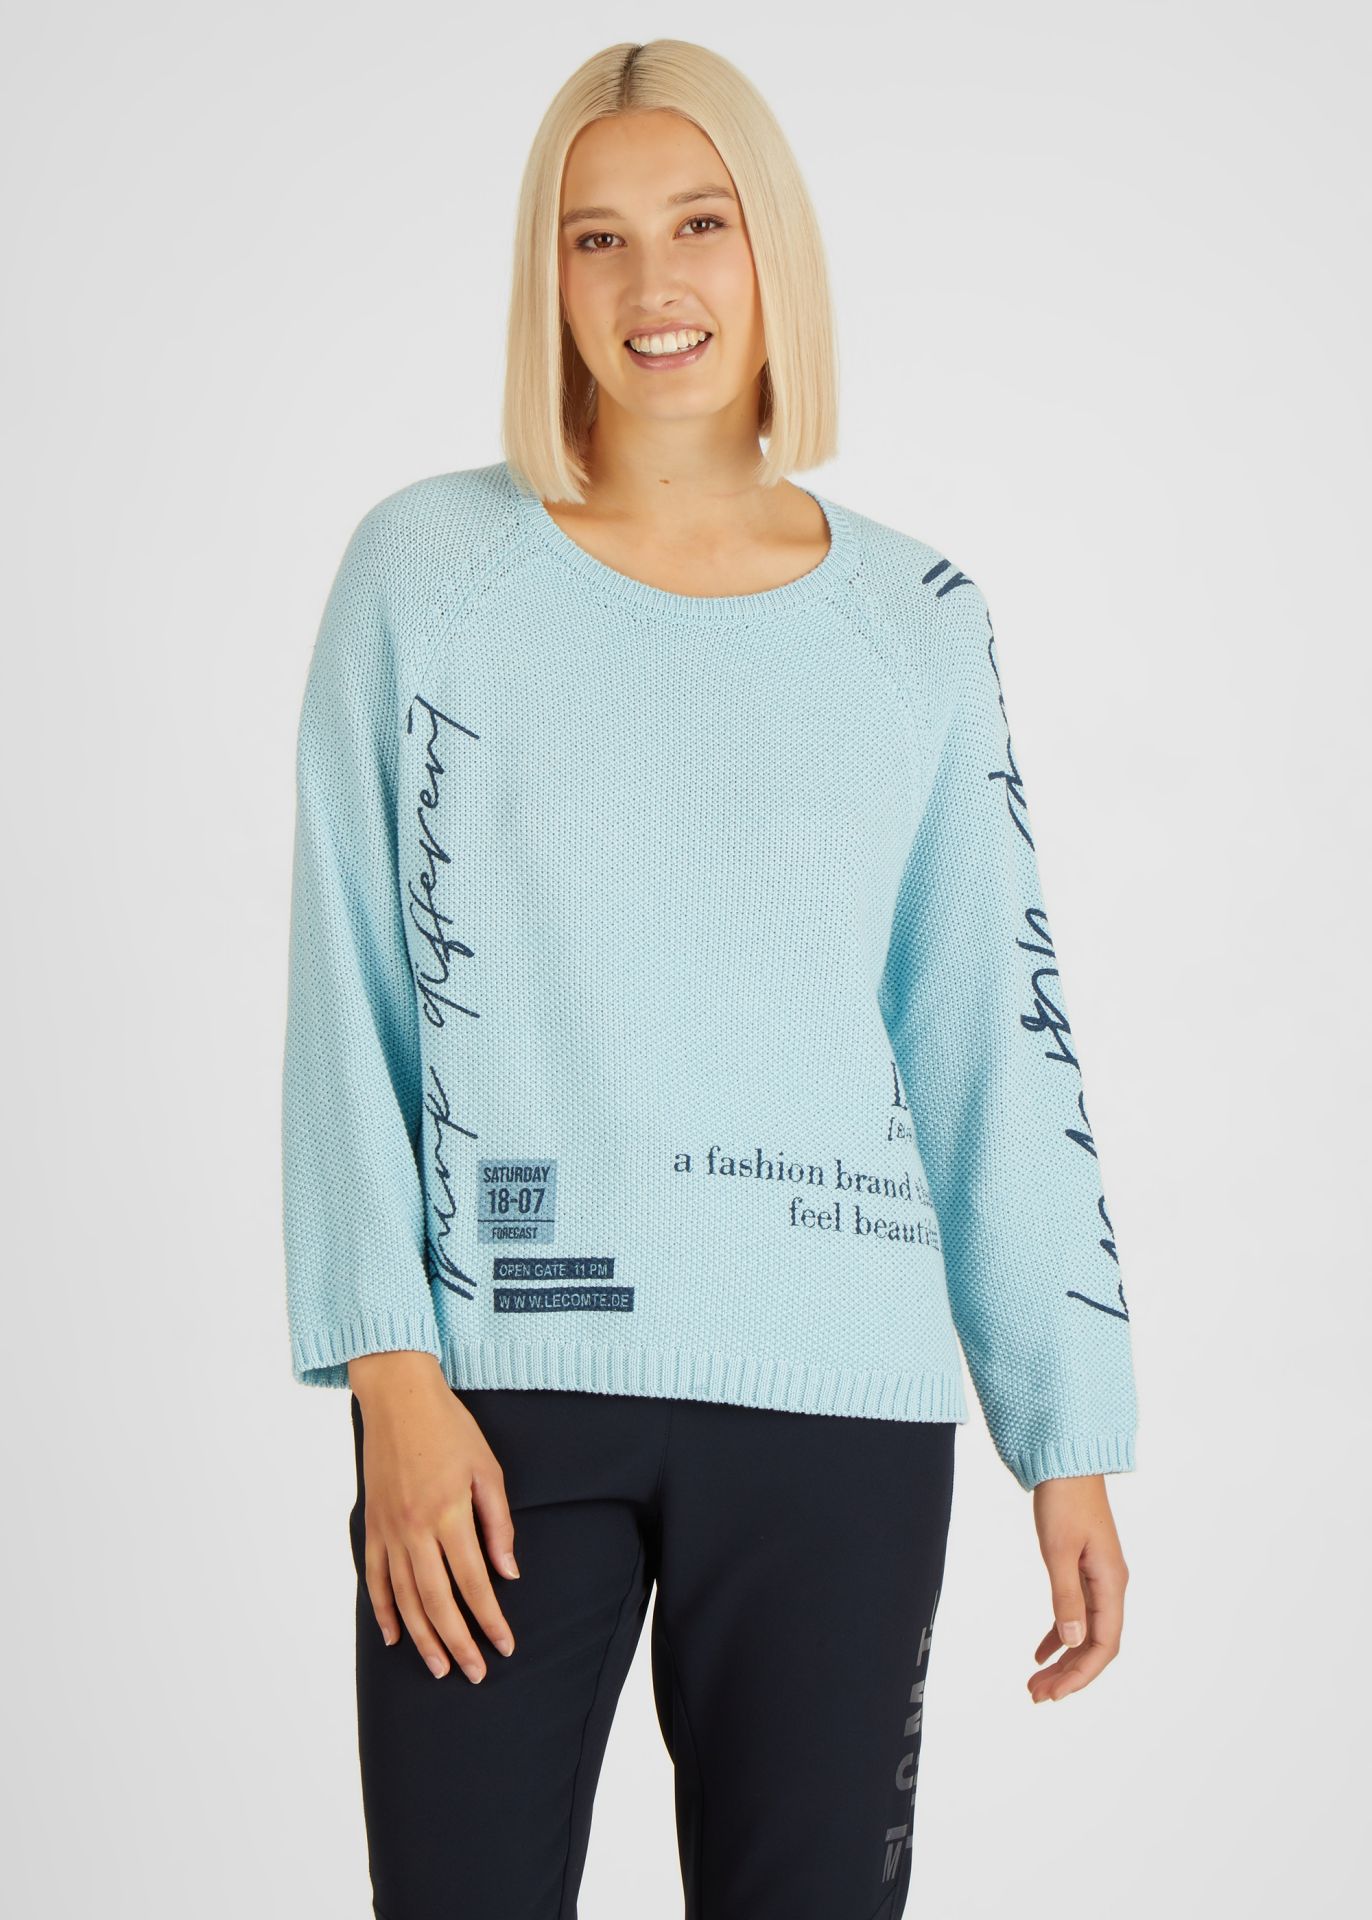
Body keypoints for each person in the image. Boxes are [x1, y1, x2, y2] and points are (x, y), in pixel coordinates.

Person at [280, 37, 1139, 1920]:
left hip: (837, 1401)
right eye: (594, 237)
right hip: (499, 1403)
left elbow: (985, 1026)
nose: (650, 283)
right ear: (546, 273)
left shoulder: (914, 621)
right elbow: (348, 984)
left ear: (773, 254)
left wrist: (1066, 1436)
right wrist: (389, 1373)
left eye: (699, 223)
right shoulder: (426, 573)